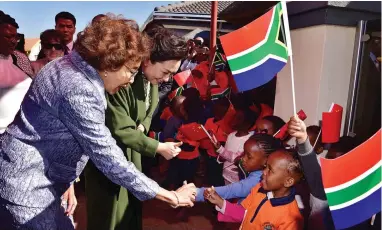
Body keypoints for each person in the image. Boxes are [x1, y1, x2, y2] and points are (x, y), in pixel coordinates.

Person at [0, 14, 196, 230]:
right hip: (29, 190)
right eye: (130, 71)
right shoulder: (79, 88)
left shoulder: (72, 67)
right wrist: (171, 197)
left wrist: (67, 181)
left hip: (42, 180)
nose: (131, 80)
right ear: (110, 63)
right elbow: (108, 156)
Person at [85, 25, 189, 230]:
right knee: (110, 214)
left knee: (131, 209)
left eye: (172, 74)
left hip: (134, 153)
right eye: (166, 72)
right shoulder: (122, 80)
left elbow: (150, 110)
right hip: (110, 157)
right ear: (148, 60)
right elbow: (121, 129)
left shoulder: (153, 79)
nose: (167, 79)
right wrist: (158, 147)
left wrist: (142, 126)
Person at [204, 150, 304, 229]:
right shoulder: (259, 189)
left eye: (270, 170)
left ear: (288, 181)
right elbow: (244, 213)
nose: (264, 172)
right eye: (265, 167)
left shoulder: (291, 219)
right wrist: (220, 202)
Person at [196, 133, 282, 202]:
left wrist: (195, 193)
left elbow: (230, 190)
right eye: (244, 153)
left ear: (266, 161)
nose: (242, 159)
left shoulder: (256, 181)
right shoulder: (256, 170)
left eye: (249, 156)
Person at [0, 12, 32, 134]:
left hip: (23, 133)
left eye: (16, 37)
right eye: (7, 37)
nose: (14, 41)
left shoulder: (20, 58)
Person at [216, 109, 257, 185]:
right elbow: (226, 153)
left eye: (238, 118)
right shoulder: (231, 135)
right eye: (234, 116)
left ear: (247, 123)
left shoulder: (249, 140)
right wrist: (220, 158)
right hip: (226, 174)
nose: (234, 120)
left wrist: (220, 149)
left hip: (238, 178)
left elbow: (236, 158)